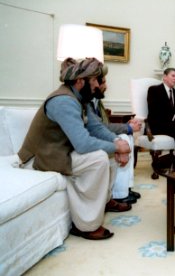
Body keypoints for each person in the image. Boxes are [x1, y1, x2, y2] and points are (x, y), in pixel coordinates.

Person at [17, 57, 132, 240]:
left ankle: (104, 200)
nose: (97, 84)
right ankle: (86, 226)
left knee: (109, 155)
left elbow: (96, 128)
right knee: (100, 158)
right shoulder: (63, 101)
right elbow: (83, 144)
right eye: (94, 80)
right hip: (40, 158)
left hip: (59, 151)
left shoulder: (79, 98)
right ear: (80, 81)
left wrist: (118, 143)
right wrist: (117, 148)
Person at [91, 70, 142, 204]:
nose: (106, 86)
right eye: (104, 82)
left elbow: (104, 125)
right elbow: (100, 127)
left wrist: (127, 126)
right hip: (94, 137)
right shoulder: (88, 102)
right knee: (125, 138)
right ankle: (119, 194)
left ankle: (126, 187)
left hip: (99, 134)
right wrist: (128, 127)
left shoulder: (97, 100)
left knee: (128, 137)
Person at [147, 67, 175, 152]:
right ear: (164, 77)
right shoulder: (154, 90)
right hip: (158, 124)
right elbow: (154, 109)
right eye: (173, 76)